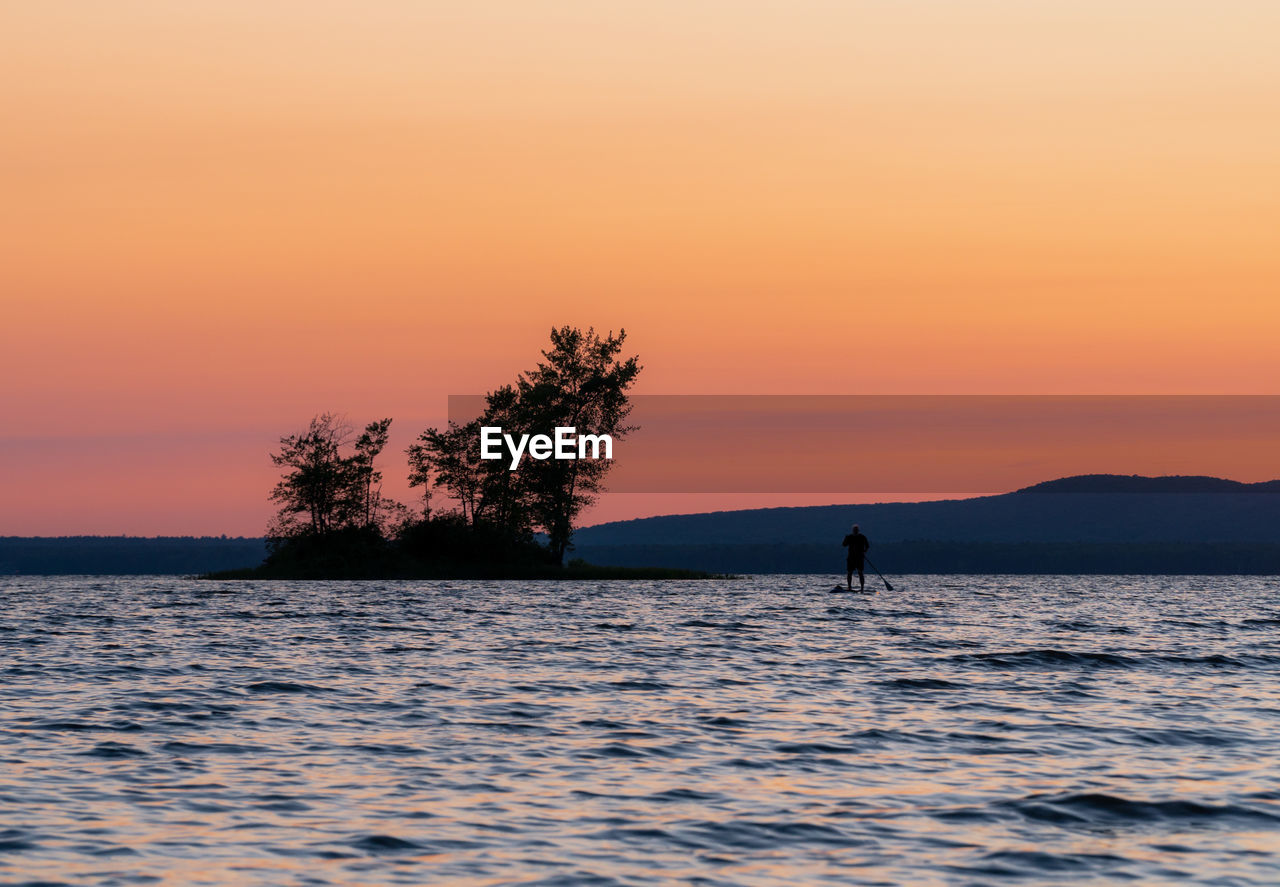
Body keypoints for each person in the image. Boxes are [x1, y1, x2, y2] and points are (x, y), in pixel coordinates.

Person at [842, 524, 870, 591]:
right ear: (852, 530)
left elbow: (867, 546)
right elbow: (844, 545)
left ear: (858, 530)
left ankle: (862, 588)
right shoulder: (849, 537)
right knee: (849, 572)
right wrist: (845, 539)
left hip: (859, 558)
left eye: (856, 530)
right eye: (854, 530)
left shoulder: (862, 537)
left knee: (860, 572)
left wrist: (864, 552)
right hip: (851, 557)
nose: (855, 531)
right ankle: (849, 587)